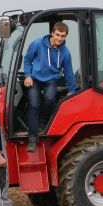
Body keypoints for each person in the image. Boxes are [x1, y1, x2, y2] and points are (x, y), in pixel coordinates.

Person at [23, 21, 77, 151]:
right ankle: (32, 138)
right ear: (52, 33)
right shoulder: (37, 44)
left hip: (51, 79)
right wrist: (28, 75)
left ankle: (41, 120)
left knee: (50, 99)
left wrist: (71, 90)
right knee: (34, 103)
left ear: (65, 36)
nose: (59, 38)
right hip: (35, 79)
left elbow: (69, 72)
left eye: (63, 36)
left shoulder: (65, 53)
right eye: (57, 34)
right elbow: (27, 60)